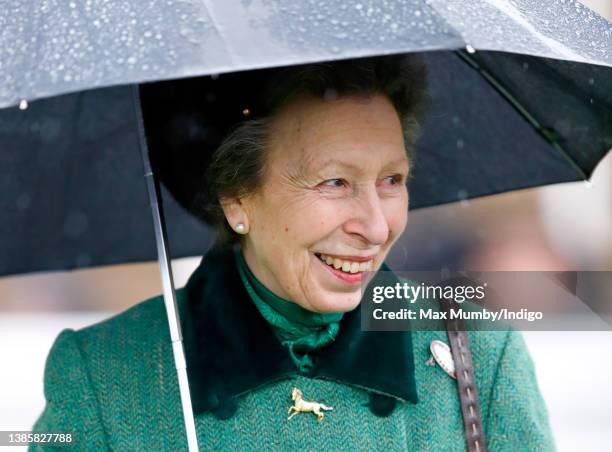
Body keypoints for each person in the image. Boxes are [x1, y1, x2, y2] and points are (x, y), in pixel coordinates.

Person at [31, 55, 555, 450]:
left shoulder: (481, 361)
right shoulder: (105, 376)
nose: (375, 226)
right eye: (334, 183)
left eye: (392, 179)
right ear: (237, 198)